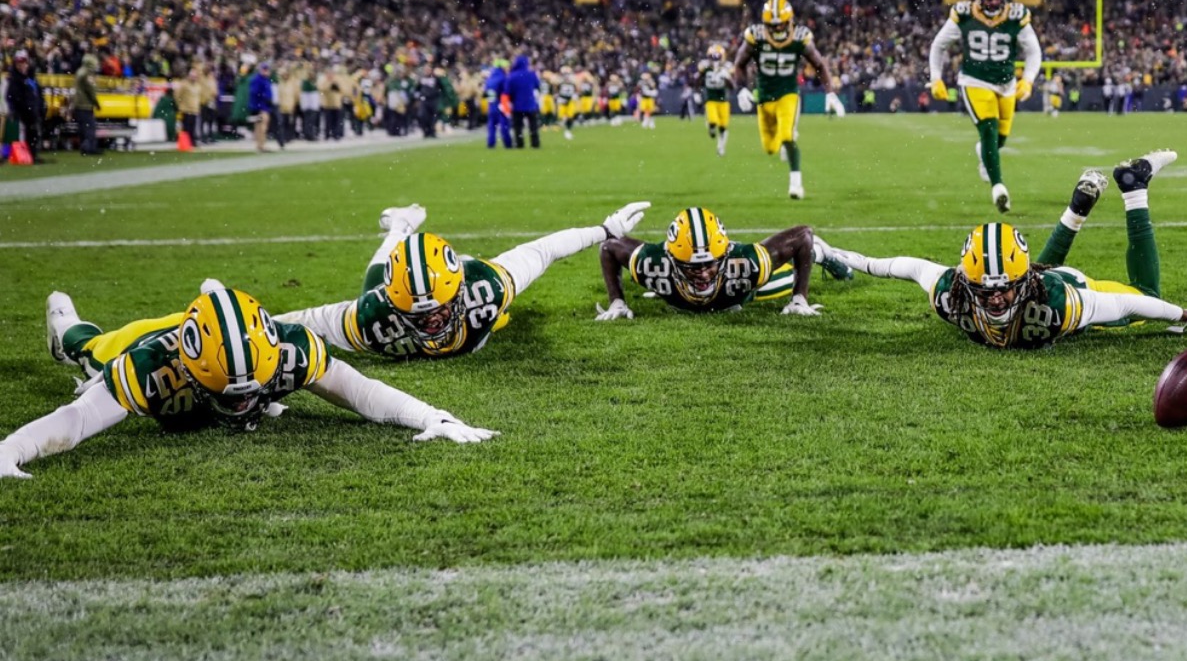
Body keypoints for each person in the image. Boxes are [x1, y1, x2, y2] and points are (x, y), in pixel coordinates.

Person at [2, 284, 496, 480]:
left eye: (250, 392)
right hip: (148, 338)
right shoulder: (155, 365)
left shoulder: (287, 348)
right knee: (88, 353)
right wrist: (14, 448)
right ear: (194, 371)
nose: (240, 407)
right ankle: (64, 319)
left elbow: (360, 392)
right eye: (228, 395)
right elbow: (78, 419)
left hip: (218, 334)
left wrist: (433, 416)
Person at [816, 151, 1187, 350]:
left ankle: (1135, 188)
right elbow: (897, 267)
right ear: (966, 281)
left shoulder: (1059, 304)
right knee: (1044, 270)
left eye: (1004, 288)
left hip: (1068, 285)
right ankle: (1076, 210)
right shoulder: (951, 292)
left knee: (1149, 294)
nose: (996, 298)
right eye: (986, 290)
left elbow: (1130, 306)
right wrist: (838, 253)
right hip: (1038, 281)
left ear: (1024, 281)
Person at [277, 200, 650, 358]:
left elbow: (544, 249)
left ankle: (403, 226)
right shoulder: (371, 316)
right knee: (371, 283)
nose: (432, 321)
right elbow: (304, 322)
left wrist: (607, 228)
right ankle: (401, 224)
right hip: (396, 296)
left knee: (500, 317)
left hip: (474, 302)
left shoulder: (486, 286)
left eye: (438, 309)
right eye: (418, 316)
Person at [595, 206, 851, 319]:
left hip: (744, 293)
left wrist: (799, 298)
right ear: (671, 259)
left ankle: (823, 254)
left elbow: (803, 235)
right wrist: (617, 302)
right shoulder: (653, 263)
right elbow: (608, 247)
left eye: (710, 264)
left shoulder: (748, 264)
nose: (704, 274)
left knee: (798, 260)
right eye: (692, 267)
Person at [927, 0, 1043, 214]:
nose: (992, 2)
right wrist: (936, 77)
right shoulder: (964, 14)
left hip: (1007, 83)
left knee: (1000, 139)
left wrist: (1029, 80)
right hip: (974, 81)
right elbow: (939, 45)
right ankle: (998, 186)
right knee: (988, 129)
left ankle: (983, 153)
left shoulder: (1016, 16)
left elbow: (1033, 51)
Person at [730, 0, 843, 200]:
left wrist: (831, 93)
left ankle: (796, 183)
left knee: (787, 137)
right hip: (764, 97)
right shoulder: (756, 36)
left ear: (789, 20)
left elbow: (819, 64)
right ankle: (787, 137)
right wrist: (741, 88)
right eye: (773, 25)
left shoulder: (800, 37)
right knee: (770, 148)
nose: (777, 28)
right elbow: (739, 63)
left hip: (788, 94)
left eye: (781, 23)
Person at [5, 50, 45, 160]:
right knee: (26, 134)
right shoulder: (15, 79)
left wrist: (41, 107)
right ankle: (26, 156)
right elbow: (10, 97)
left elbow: (38, 94)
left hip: (33, 111)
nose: (21, 65)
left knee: (34, 134)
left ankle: (33, 154)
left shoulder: (31, 77)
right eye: (18, 63)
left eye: (23, 62)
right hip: (23, 112)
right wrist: (14, 110)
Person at [701, 43, 733, 156]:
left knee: (723, 126)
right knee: (713, 122)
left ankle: (721, 147)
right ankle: (711, 127)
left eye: (717, 57)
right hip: (711, 99)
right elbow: (698, 80)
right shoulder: (705, 68)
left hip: (724, 100)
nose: (715, 60)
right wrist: (696, 92)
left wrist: (727, 77)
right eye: (713, 57)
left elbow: (732, 86)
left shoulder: (727, 68)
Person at [506, 54, 541, 148]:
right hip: (530, 104)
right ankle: (535, 143)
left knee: (518, 127)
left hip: (517, 105)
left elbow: (508, 91)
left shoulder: (512, 76)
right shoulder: (531, 74)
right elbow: (537, 86)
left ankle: (519, 144)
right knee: (533, 126)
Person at [73, 52, 100, 156]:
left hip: (78, 104)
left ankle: (84, 147)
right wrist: (96, 103)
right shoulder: (87, 74)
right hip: (85, 104)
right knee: (90, 128)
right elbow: (91, 90)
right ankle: (89, 148)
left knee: (83, 128)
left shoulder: (79, 71)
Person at [484, 58, 512, 149]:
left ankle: (491, 143)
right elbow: (506, 92)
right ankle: (507, 143)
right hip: (500, 105)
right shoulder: (503, 78)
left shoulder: (490, 78)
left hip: (491, 105)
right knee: (504, 125)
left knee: (491, 126)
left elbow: (485, 92)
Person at [247, 61, 275, 153]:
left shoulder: (264, 79)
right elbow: (254, 93)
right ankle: (260, 145)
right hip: (260, 107)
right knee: (261, 126)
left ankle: (261, 145)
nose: (266, 71)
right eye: (264, 69)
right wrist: (263, 100)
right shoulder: (257, 80)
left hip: (264, 106)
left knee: (261, 126)